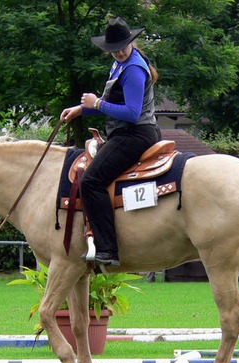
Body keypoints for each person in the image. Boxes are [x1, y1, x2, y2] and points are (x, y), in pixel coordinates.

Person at [60, 17, 159, 266]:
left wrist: (97, 104)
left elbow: (132, 113)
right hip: (130, 133)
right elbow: (112, 106)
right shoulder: (120, 65)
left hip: (135, 134)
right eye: (115, 49)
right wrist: (82, 109)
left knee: (91, 181)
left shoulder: (133, 69)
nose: (120, 51)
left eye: (124, 46)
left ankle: (107, 249)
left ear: (131, 43)